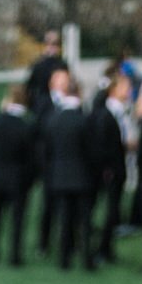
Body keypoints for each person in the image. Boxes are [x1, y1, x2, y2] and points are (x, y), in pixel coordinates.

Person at [43, 71, 97, 271]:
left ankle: (64, 259)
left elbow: (47, 150)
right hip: (82, 177)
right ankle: (87, 258)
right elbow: (92, 151)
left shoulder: (53, 120)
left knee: (64, 220)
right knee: (84, 221)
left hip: (60, 177)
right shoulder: (85, 120)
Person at [0, 83, 36, 265]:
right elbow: (31, 156)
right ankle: (15, 256)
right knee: (18, 221)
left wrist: (2, 109)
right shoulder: (27, 125)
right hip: (18, 179)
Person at [88, 75, 128, 264]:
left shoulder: (116, 111)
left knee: (111, 208)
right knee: (109, 208)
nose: (128, 90)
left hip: (112, 167)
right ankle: (101, 247)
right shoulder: (108, 113)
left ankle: (104, 246)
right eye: (124, 86)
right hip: (110, 169)